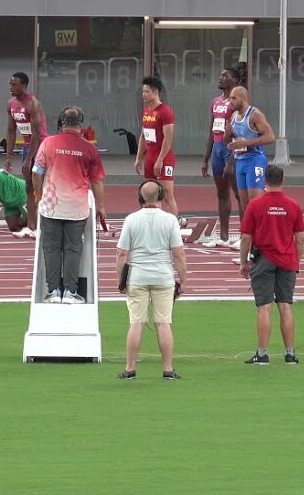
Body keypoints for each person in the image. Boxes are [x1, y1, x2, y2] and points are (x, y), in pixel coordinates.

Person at [115, 180, 188, 381]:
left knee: (136, 323)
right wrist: (183, 280)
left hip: (137, 276)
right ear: (162, 197)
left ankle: (130, 368)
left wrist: (120, 280)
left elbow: (122, 254)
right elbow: (179, 254)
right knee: (163, 323)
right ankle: (167, 368)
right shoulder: (170, 220)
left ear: (140, 199)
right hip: (163, 276)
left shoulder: (131, 220)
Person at [32, 107, 106, 304]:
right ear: (80, 124)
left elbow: (36, 172)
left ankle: (54, 291)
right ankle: (71, 292)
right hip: (77, 207)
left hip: (51, 206)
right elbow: (97, 180)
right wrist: (100, 206)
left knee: (51, 248)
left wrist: (38, 194)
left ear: (61, 123)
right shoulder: (89, 148)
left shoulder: (48, 143)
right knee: (73, 249)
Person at [239, 165, 304, 366]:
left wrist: (243, 262)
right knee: (286, 306)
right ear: (283, 181)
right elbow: (300, 238)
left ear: (264, 181)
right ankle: (290, 354)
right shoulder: (293, 205)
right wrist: (296, 261)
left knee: (264, 307)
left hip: (264, 259)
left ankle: (262, 354)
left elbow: (245, 238)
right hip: (287, 259)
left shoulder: (255, 205)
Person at [200, 67, 244, 247]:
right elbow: (212, 130)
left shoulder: (237, 104)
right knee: (221, 193)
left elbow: (241, 131)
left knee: (239, 193)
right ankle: (224, 236)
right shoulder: (215, 102)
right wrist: (205, 158)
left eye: (225, 76)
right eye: (220, 75)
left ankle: (244, 236)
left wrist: (233, 159)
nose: (220, 78)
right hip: (217, 149)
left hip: (231, 149)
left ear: (234, 81)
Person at [4, 72, 46, 238]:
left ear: (24, 85)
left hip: (42, 146)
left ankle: (46, 223)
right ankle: (32, 226)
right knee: (29, 187)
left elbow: (36, 133)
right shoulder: (11, 104)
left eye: (14, 84)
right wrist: (8, 156)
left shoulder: (32, 104)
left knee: (41, 186)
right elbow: (11, 131)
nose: (10, 87)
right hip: (27, 146)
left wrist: (29, 159)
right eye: (10, 83)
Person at [135, 77, 181, 220]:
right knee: (150, 193)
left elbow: (168, 138)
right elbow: (143, 136)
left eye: (146, 92)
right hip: (150, 158)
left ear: (155, 93)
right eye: (143, 91)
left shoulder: (165, 112)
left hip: (164, 158)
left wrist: (160, 159)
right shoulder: (147, 111)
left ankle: (174, 225)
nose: (143, 94)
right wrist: (138, 158)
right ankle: (152, 223)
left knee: (167, 193)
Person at [225, 86, 275, 210]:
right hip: (240, 161)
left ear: (244, 98)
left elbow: (271, 137)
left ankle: (263, 227)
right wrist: (227, 134)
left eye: (234, 98)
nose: (231, 101)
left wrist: (246, 143)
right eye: (230, 98)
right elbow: (229, 142)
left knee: (256, 203)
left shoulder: (255, 115)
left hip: (254, 160)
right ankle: (249, 229)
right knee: (245, 205)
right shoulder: (234, 116)